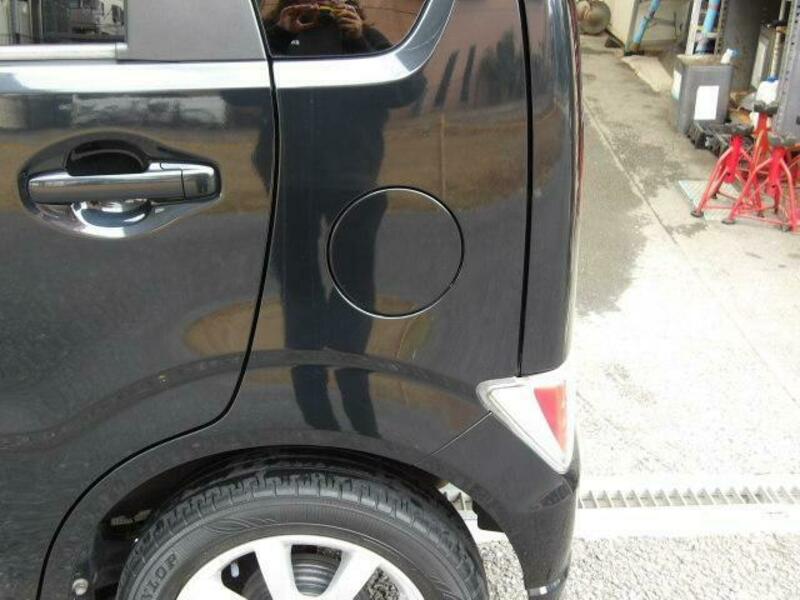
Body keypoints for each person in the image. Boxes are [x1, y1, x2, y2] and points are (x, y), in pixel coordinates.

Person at [261, 0, 391, 56]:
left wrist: (357, 41)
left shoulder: (364, 34)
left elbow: (395, 92)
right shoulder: (269, 30)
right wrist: (281, 35)